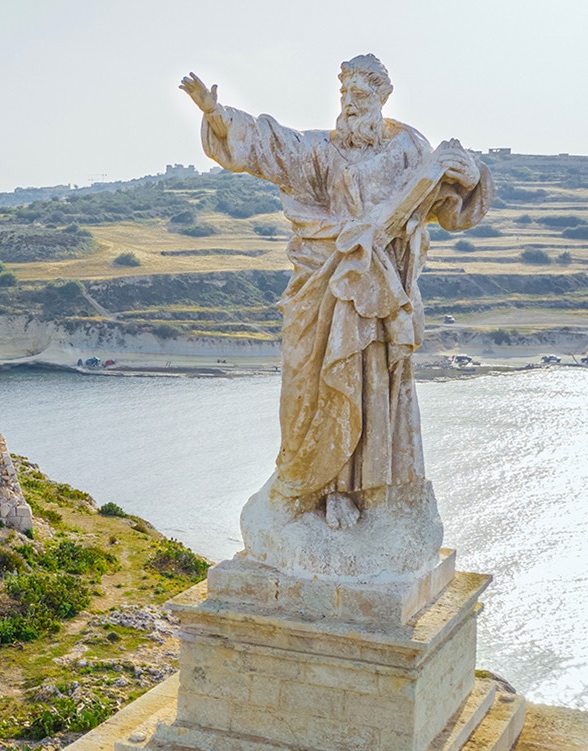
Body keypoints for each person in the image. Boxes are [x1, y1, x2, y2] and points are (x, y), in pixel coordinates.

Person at [181, 55, 490, 528]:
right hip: (323, 282)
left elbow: (451, 208)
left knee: (373, 389)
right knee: (309, 385)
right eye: (343, 95)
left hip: (381, 290)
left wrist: (469, 178)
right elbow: (271, 144)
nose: (348, 104)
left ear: (381, 100)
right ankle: (315, 485)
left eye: (359, 96)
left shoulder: (409, 148)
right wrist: (217, 116)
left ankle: (362, 492)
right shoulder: (322, 152)